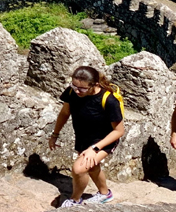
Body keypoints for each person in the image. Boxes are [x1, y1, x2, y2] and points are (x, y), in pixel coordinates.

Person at [49, 66, 126, 207]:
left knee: (79, 169)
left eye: (82, 89)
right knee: (92, 167)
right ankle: (105, 194)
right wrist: (55, 134)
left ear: (95, 85)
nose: (78, 91)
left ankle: (75, 201)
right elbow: (65, 113)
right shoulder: (72, 92)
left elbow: (119, 131)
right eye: (75, 86)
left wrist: (94, 148)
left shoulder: (109, 100)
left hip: (104, 140)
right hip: (83, 137)